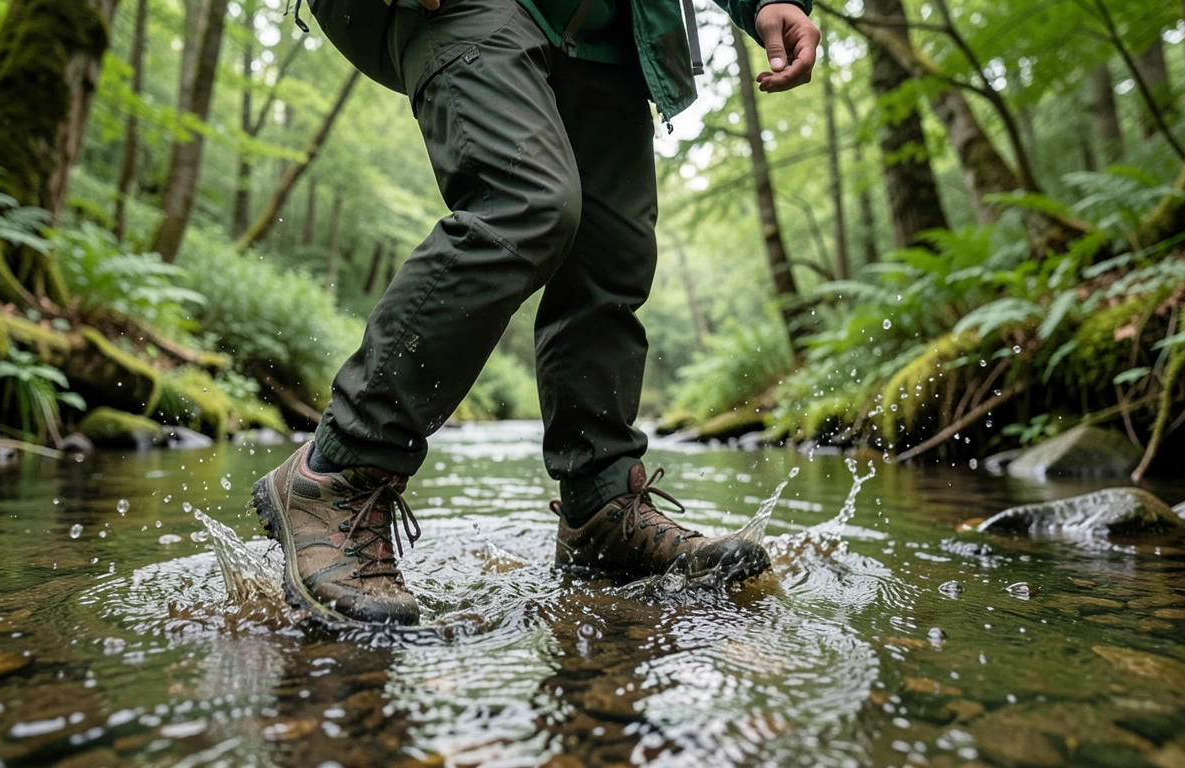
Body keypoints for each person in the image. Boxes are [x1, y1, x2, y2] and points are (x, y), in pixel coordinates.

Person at [250, 0, 820, 625]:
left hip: (617, 28)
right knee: (526, 201)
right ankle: (337, 471)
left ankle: (601, 507)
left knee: (610, 255)